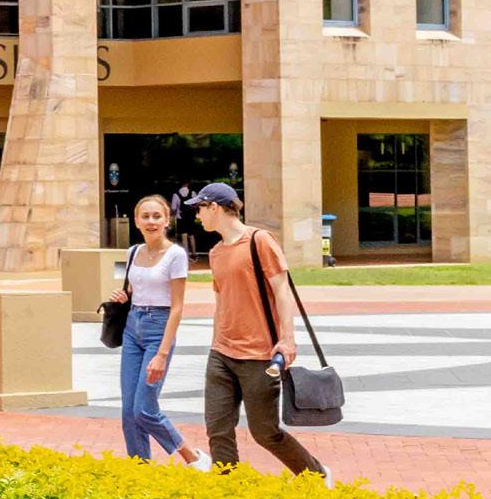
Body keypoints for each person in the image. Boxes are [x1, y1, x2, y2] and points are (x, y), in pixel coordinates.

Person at [192, 182, 329, 482]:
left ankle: (316, 475)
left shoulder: (259, 240)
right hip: (221, 353)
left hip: (259, 355)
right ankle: (229, 488)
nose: (197, 216)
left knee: (265, 432)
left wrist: (287, 340)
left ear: (214, 207)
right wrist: (216, 340)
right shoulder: (216, 252)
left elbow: (282, 291)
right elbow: (222, 300)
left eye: (200, 208)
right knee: (217, 428)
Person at [110, 195, 211, 469]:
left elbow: (177, 307)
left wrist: (162, 354)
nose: (151, 221)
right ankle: (140, 470)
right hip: (132, 327)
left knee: (144, 408)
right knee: (128, 412)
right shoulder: (133, 252)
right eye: (145, 216)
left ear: (167, 220)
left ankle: (192, 456)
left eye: (157, 216)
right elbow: (134, 289)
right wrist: (124, 296)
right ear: (136, 221)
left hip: (159, 328)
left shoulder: (176, 255)